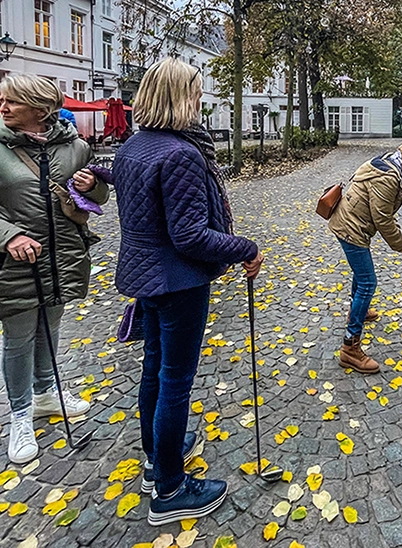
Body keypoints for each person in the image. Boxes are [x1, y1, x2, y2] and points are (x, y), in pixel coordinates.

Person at [112, 57, 263, 526]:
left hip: (145, 275)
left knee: (155, 369)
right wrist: (247, 246)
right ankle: (171, 488)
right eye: (197, 94)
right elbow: (192, 236)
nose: (202, 101)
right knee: (174, 380)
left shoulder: (134, 145)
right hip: (178, 280)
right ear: (181, 98)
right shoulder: (182, 154)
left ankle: (158, 458)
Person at [0, 75, 108, 464]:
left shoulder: (76, 147)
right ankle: (20, 415)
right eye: (3, 101)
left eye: (12, 101)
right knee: (19, 334)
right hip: (16, 261)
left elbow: (96, 199)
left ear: (39, 109)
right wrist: (9, 236)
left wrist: (93, 185)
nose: (3, 107)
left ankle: (46, 393)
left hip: (63, 254)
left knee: (52, 324)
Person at [328, 136, 402, 374]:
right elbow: (383, 219)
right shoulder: (389, 177)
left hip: (351, 223)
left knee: (361, 274)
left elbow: (382, 212)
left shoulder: (390, 163)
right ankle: (350, 347)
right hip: (351, 227)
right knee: (368, 281)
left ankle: (359, 311)